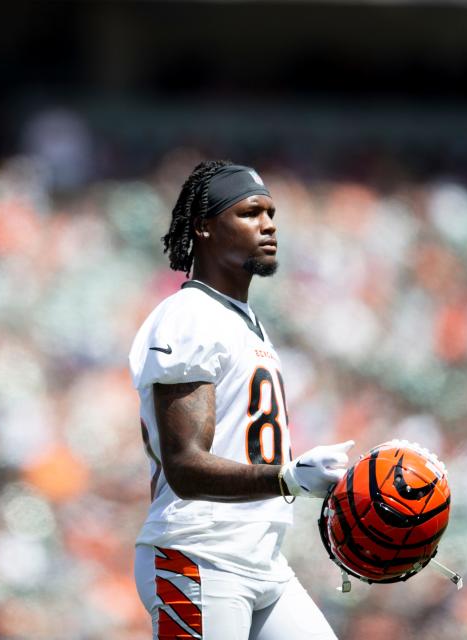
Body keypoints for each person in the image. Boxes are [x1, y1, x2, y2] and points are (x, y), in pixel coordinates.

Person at [129, 160, 354, 639]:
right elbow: (185, 466)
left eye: (271, 212)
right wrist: (289, 478)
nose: (268, 224)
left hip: (261, 558)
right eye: (250, 212)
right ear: (204, 227)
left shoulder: (242, 319)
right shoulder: (189, 315)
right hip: (198, 555)